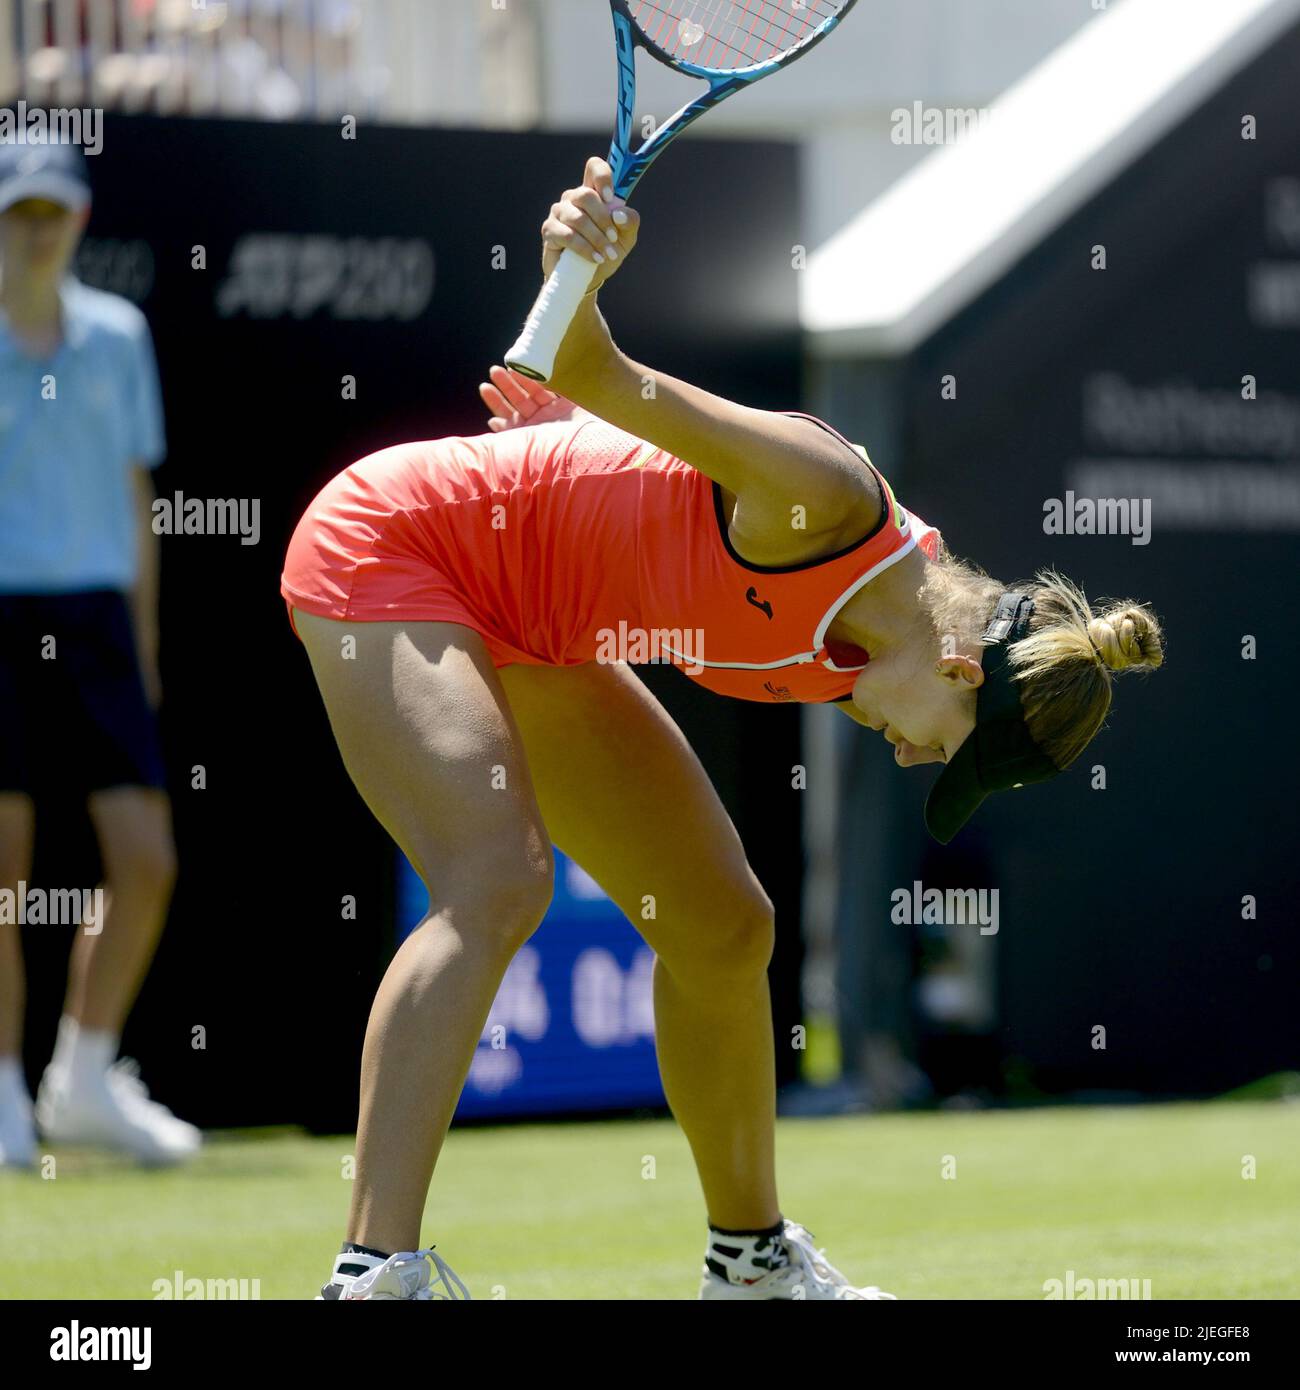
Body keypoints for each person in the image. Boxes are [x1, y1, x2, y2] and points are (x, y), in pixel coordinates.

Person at [280, 156, 1163, 1300]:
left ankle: (750, 1267)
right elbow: (596, 365)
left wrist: (557, 430)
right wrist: (576, 268)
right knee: (495, 879)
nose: (906, 755)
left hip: (531, 616)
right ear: (955, 663)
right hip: (397, 545)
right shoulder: (826, 498)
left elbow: (630, 465)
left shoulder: (867, 651)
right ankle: (372, 1274)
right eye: (937, 741)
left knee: (723, 925)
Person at [0, 141, 198, 1167]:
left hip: (101, 623)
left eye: (53, 212)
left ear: (76, 222)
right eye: (20, 211)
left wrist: (145, 633)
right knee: (5, 865)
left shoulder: (119, 335)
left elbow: (135, 494)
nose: (37, 229)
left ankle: (81, 1074)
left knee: (145, 859)